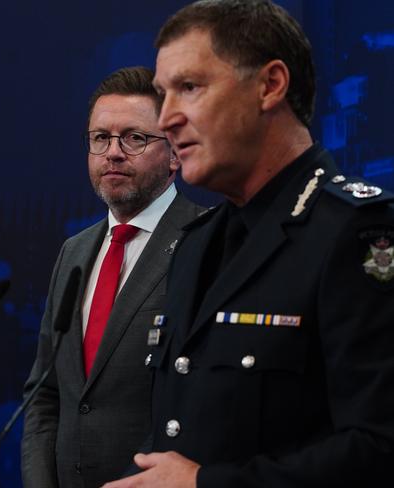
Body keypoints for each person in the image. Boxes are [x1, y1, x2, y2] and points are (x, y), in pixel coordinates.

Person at [104, 1, 394, 487]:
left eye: (189, 87)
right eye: (162, 94)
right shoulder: (194, 244)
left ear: (270, 85)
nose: (167, 117)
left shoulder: (358, 233)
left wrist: (205, 485)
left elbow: (381, 449)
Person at [21, 66, 203, 488]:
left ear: (175, 153)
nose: (113, 152)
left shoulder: (207, 240)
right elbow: (44, 395)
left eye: (134, 138)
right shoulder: (74, 251)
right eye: (100, 138)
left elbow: (203, 400)